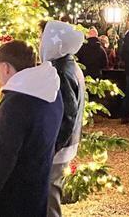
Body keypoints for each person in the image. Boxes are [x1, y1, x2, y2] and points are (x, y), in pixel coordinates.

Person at [0, 41, 63, 217]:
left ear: (6, 68)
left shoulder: (15, 105)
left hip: (12, 199)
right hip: (38, 189)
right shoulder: (52, 92)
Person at [40, 21, 86, 217]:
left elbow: (68, 112)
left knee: (50, 197)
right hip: (65, 143)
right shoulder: (69, 64)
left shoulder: (60, 70)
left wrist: (53, 146)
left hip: (58, 147)